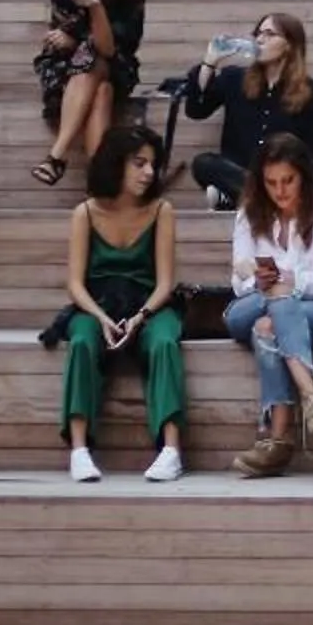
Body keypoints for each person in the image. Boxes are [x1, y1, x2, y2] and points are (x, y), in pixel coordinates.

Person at [57, 126, 185, 484]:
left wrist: (140, 317)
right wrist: (99, 317)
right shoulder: (85, 212)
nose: (149, 172)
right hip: (96, 305)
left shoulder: (162, 210)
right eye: (139, 163)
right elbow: (74, 284)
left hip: (150, 305)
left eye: (153, 164)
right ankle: (80, 449)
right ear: (116, 164)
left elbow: (164, 283)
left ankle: (171, 449)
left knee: (163, 342)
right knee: (81, 341)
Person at [224, 134, 313, 478]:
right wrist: (261, 283)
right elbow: (239, 281)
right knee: (268, 305)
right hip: (250, 304)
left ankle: (278, 440)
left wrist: (286, 280)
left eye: (288, 181)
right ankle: (310, 394)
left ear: (304, 178)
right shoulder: (249, 211)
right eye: (271, 183)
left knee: (268, 325)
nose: (280, 191)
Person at [182, 10, 313, 210]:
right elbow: (196, 110)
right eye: (258, 34)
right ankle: (264, 197)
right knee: (204, 163)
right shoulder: (234, 78)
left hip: (284, 174)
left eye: (269, 34)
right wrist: (209, 63)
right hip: (240, 168)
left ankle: (238, 197)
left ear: (289, 44)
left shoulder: (310, 90)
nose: (260, 40)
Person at [34, 0, 148, 188]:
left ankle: (56, 156)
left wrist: (95, 9)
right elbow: (63, 46)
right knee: (102, 90)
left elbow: (109, 49)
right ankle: (99, 186)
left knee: (95, 61)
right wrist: (79, 42)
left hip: (118, 66)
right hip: (65, 73)